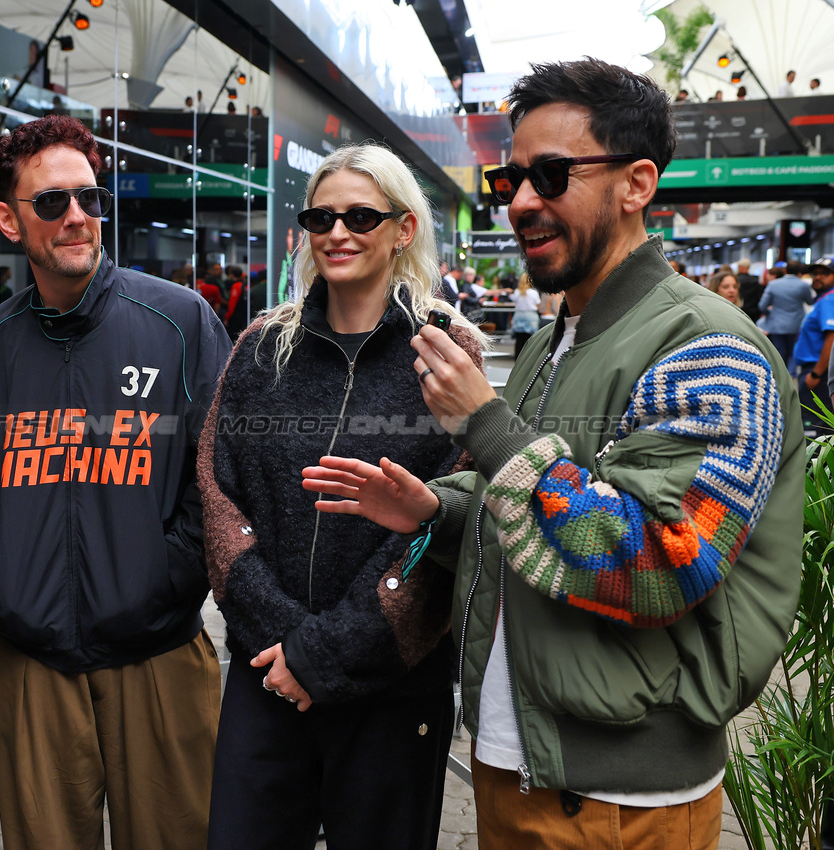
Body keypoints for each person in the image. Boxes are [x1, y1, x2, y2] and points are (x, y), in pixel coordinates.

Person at [303, 58, 802, 849]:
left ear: (637, 183)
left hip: (620, 800)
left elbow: (659, 560)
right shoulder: (551, 341)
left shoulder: (707, 346)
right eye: (511, 181)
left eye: (551, 174)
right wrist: (437, 505)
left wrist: (488, 425)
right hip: (522, 761)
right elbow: (523, 509)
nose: (522, 201)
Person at [198, 143, 486, 850]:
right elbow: (216, 494)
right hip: (266, 675)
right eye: (320, 217)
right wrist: (284, 646)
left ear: (402, 229)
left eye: (360, 215)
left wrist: (322, 653)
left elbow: (447, 518)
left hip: (391, 681)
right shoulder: (261, 346)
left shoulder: (447, 352)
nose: (337, 233)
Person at [0, 115, 230, 850]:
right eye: (51, 202)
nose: (76, 215)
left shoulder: (178, 320)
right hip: (34, 655)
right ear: (9, 221)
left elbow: (219, 473)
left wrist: (165, 580)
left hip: (159, 653)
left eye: (89, 197)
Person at [795, 257, 834, 436]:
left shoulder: (829, 301)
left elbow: (832, 339)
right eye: (815, 273)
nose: (818, 277)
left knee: (815, 427)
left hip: (818, 373)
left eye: (825, 274)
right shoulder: (823, 299)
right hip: (816, 371)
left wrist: (816, 374)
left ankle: (815, 462)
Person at [759, 260, 815, 370]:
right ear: (799, 272)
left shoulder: (773, 284)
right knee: (793, 351)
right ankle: (791, 375)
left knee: (778, 351)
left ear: (785, 270)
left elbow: (762, 305)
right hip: (796, 324)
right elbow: (810, 302)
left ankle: (779, 374)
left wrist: (770, 313)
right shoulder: (803, 285)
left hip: (776, 323)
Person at [509, 273, 540, 357]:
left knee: (519, 340)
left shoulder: (517, 292)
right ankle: (528, 358)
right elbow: (538, 305)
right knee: (530, 339)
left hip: (519, 315)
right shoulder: (533, 292)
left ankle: (517, 358)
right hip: (530, 316)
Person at [223, 264, 249, 338]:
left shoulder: (236, 286)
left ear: (231, 274)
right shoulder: (245, 285)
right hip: (244, 315)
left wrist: (227, 317)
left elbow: (232, 304)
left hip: (235, 317)